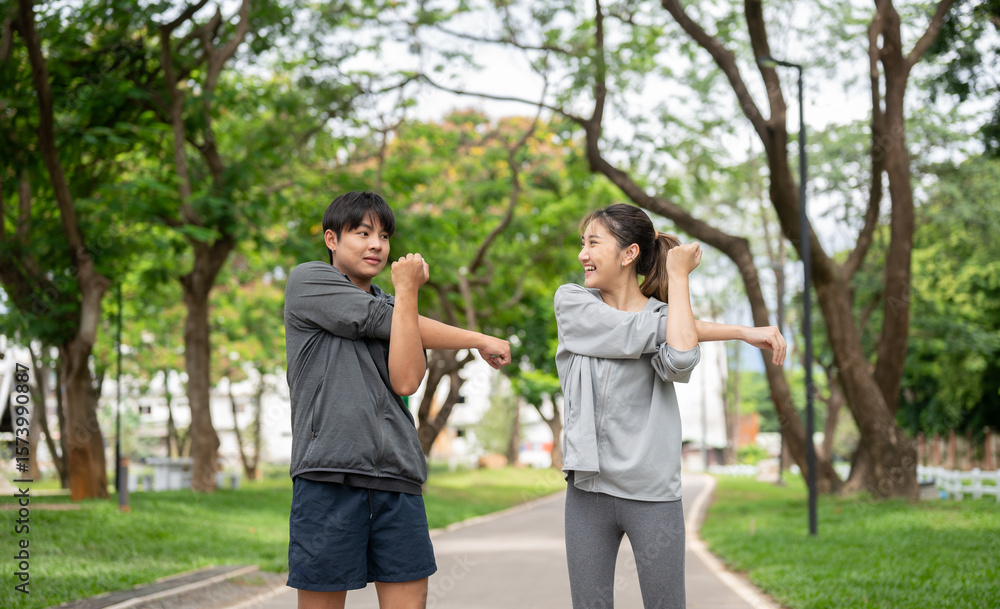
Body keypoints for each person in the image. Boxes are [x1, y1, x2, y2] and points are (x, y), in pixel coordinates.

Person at [283, 191, 511, 609]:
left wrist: (407, 297)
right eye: (362, 233)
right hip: (328, 477)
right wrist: (477, 338)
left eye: (384, 236)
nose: (377, 245)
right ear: (332, 239)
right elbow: (377, 318)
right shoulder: (308, 280)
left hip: (398, 478)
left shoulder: (398, 310)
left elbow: (406, 381)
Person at [554, 203, 786, 609]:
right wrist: (739, 331)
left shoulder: (668, 316)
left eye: (593, 243)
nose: (582, 254)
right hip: (588, 489)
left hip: (653, 491)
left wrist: (679, 281)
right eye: (583, 244)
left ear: (628, 254)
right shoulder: (573, 302)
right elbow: (635, 331)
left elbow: (679, 359)